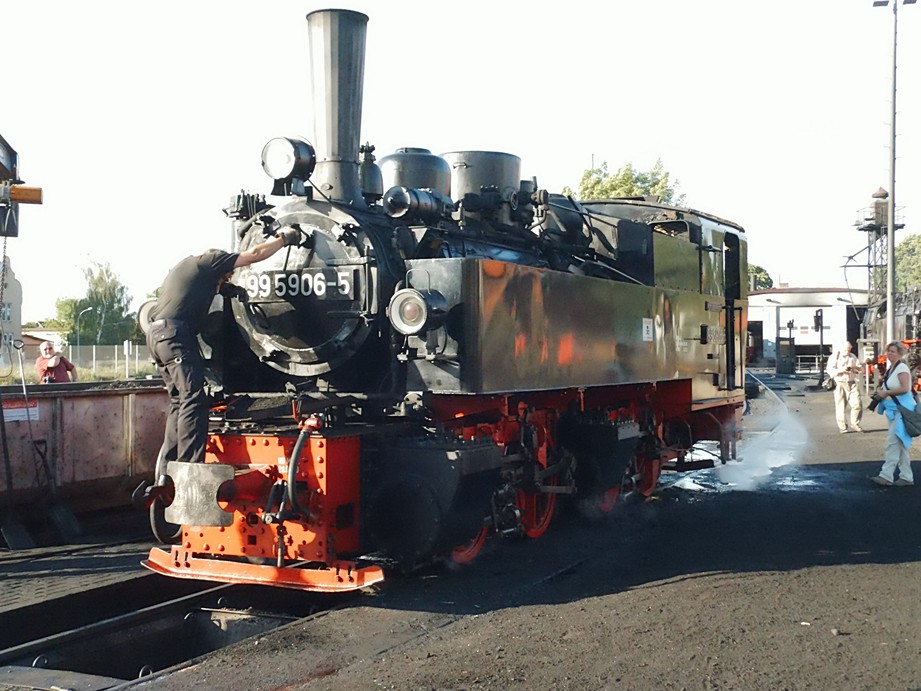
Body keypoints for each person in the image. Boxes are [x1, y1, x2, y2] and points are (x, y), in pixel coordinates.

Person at [146, 228, 300, 466]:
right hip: (175, 335)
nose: (226, 280)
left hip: (156, 335)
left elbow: (194, 292)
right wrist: (283, 239)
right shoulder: (212, 260)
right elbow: (255, 254)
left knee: (178, 401)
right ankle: (188, 466)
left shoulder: (187, 267)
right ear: (220, 267)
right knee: (194, 398)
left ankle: (167, 469)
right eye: (227, 276)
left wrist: (227, 290)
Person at [871, 340, 915, 487]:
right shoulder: (893, 368)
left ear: (900, 353)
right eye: (888, 351)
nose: (889, 354)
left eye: (893, 351)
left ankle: (886, 475)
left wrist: (886, 393)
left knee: (892, 442)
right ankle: (906, 476)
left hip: (902, 411)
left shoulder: (901, 368)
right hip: (895, 410)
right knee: (900, 444)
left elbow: (905, 388)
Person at [825, 340, 863, 433]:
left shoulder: (853, 356)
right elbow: (830, 370)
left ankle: (855, 423)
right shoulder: (834, 357)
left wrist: (854, 368)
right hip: (839, 383)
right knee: (840, 406)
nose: (848, 351)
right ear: (841, 349)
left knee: (857, 404)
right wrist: (842, 370)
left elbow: (860, 369)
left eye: (849, 349)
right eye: (846, 349)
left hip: (852, 382)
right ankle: (843, 427)